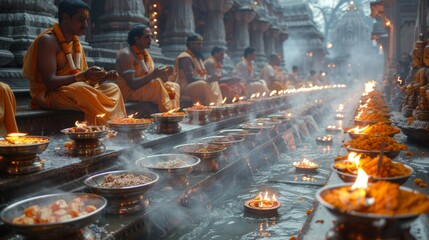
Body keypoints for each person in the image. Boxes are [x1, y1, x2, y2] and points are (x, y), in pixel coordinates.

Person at [22, 0, 126, 125]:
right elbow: (50, 82)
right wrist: (83, 75)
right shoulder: (48, 41)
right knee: (82, 89)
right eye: (81, 20)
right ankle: (105, 127)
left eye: (86, 20)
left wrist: (104, 77)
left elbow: (87, 82)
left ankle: (119, 126)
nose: (85, 25)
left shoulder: (76, 44)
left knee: (112, 88)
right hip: (50, 94)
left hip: (75, 89)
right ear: (66, 18)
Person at [116, 24, 180, 112]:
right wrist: (154, 75)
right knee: (157, 84)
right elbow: (132, 84)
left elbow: (151, 78)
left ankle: (173, 111)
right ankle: (167, 113)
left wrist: (165, 74)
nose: (151, 40)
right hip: (129, 91)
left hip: (144, 87)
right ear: (137, 39)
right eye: (147, 37)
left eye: (151, 37)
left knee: (174, 86)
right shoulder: (126, 55)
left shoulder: (145, 55)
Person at [174, 33, 223, 105]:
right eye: (198, 44)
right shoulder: (185, 57)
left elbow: (202, 74)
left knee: (214, 83)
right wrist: (208, 79)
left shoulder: (197, 58)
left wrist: (212, 78)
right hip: (186, 87)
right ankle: (212, 107)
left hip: (195, 84)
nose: (200, 47)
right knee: (203, 84)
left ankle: (218, 104)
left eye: (201, 44)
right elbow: (190, 78)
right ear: (190, 45)